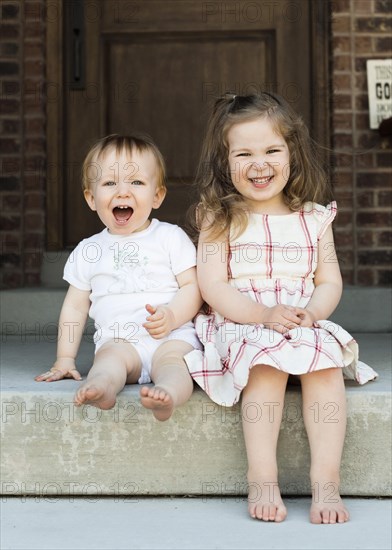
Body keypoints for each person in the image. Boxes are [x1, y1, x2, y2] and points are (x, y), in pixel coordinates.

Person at [185, 93, 377, 523]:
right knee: (267, 366)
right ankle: (264, 478)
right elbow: (212, 285)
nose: (260, 164)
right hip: (243, 321)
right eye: (244, 153)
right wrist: (261, 315)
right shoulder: (219, 217)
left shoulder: (313, 217)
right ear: (224, 161)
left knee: (326, 366)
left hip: (298, 321)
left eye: (272, 150)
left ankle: (326, 483)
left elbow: (329, 280)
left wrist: (312, 313)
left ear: (292, 153)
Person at [35, 134, 202, 421]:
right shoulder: (88, 250)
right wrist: (65, 359)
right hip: (119, 339)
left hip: (172, 336)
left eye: (136, 182)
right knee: (107, 362)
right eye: (110, 183)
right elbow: (75, 307)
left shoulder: (171, 237)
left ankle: (168, 395)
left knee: (176, 366)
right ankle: (102, 388)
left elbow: (193, 287)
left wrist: (173, 316)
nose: (123, 192)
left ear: (157, 195)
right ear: (91, 198)